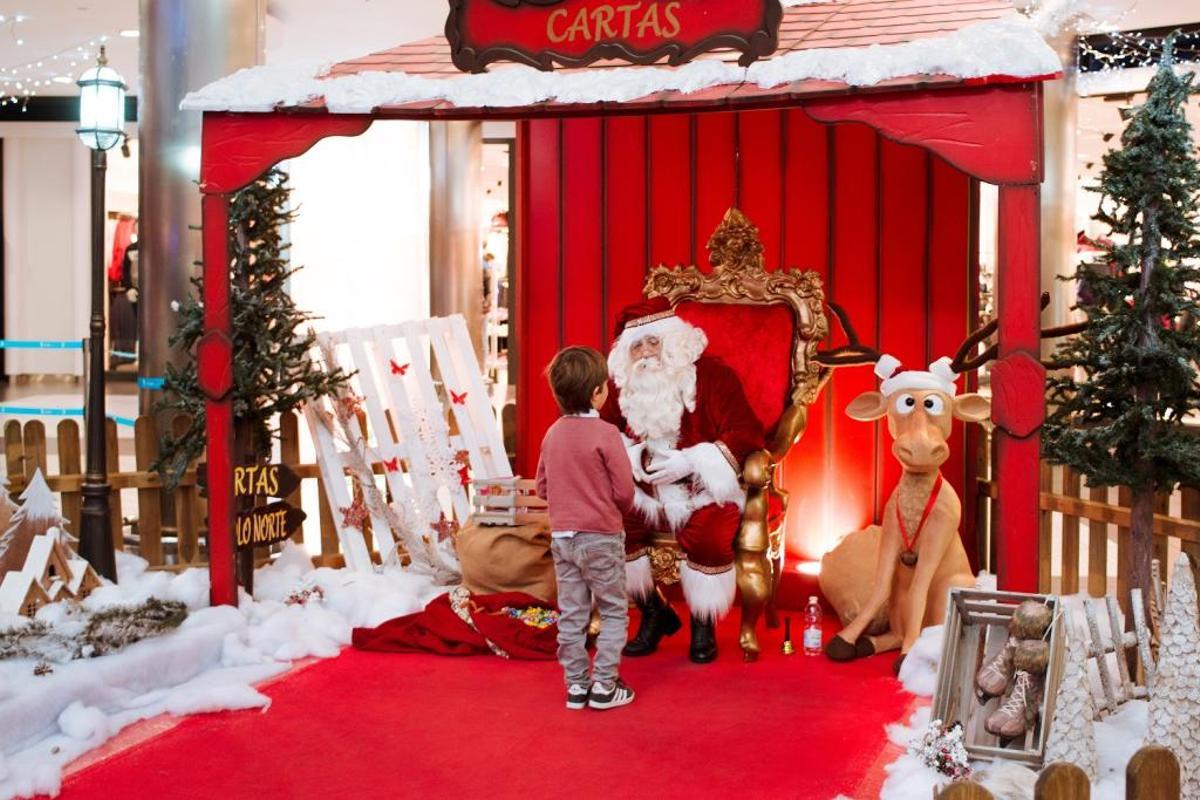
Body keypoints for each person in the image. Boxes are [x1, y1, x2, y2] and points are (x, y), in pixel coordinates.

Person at [602, 297, 763, 663]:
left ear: (673, 342)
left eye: (653, 342)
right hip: (645, 488)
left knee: (710, 533)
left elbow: (745, 433)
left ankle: (702, 624)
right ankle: (653, 613)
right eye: (636, 346)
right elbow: (605, 434)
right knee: (613, 527)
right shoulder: (621, 387)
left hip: (702, 489)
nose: (645, 353)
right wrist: (635, 457)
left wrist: (691, 460)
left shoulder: (713, 377)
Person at [536, 346, 636, 710]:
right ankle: (605, 686)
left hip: (563, 537)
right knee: (612, 611)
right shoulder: (607, 434)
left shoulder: (552, 434)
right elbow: (625, 491)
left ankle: (576, 686)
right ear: (598, 391)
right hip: (601, 538)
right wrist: (612, 506)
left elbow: (543, 487)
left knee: (573, 612)